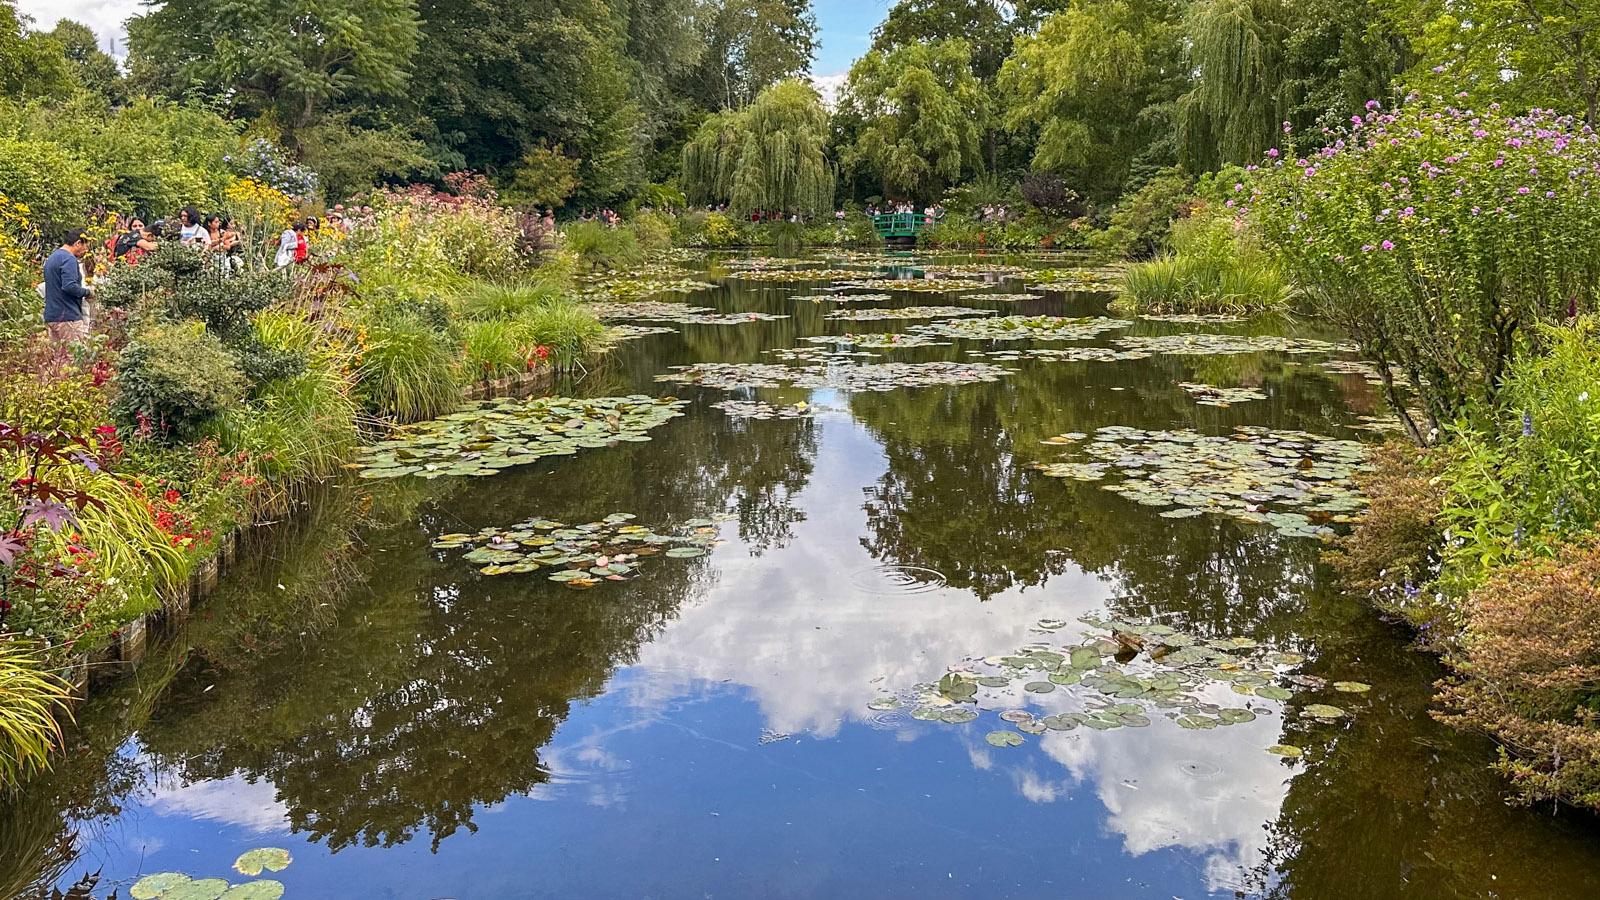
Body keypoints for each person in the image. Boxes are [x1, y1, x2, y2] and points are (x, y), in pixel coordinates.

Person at [43, 229, 94, 345]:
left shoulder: (52, 258)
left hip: (52, 316)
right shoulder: (69, 259)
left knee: (59, 359)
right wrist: (88, 292)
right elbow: (69, 286)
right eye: (85, 246)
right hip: (68, 317)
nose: (86, 251)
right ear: (78, 243)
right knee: (74, 357)